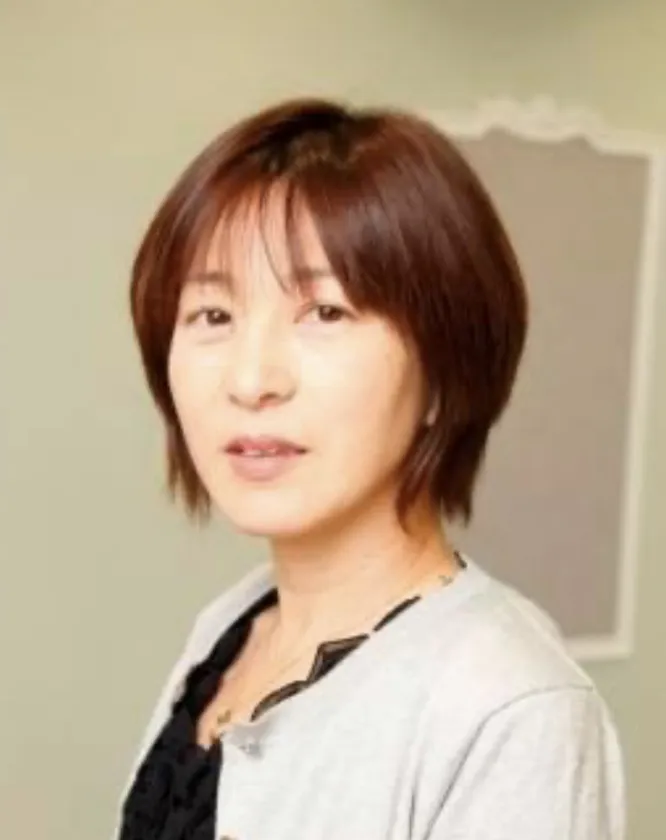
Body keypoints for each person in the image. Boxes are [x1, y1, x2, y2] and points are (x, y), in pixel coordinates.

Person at [115, 98, 625, 840]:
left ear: (443, 371)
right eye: (213, 316)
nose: (251, 380)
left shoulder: (512, 707)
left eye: (325, 312)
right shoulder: (229, 629)